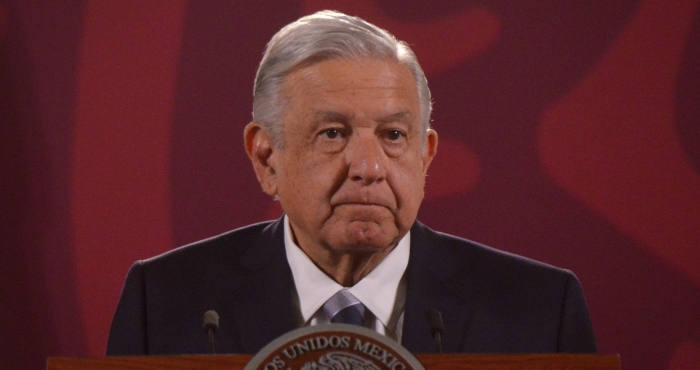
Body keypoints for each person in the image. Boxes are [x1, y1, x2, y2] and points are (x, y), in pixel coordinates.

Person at [106, 10, 596, 355]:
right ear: (266, 156)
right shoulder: (166, 303)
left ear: (425, 156)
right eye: (333, 133)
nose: (369, 167)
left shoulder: (540, 311)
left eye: (393, 135)